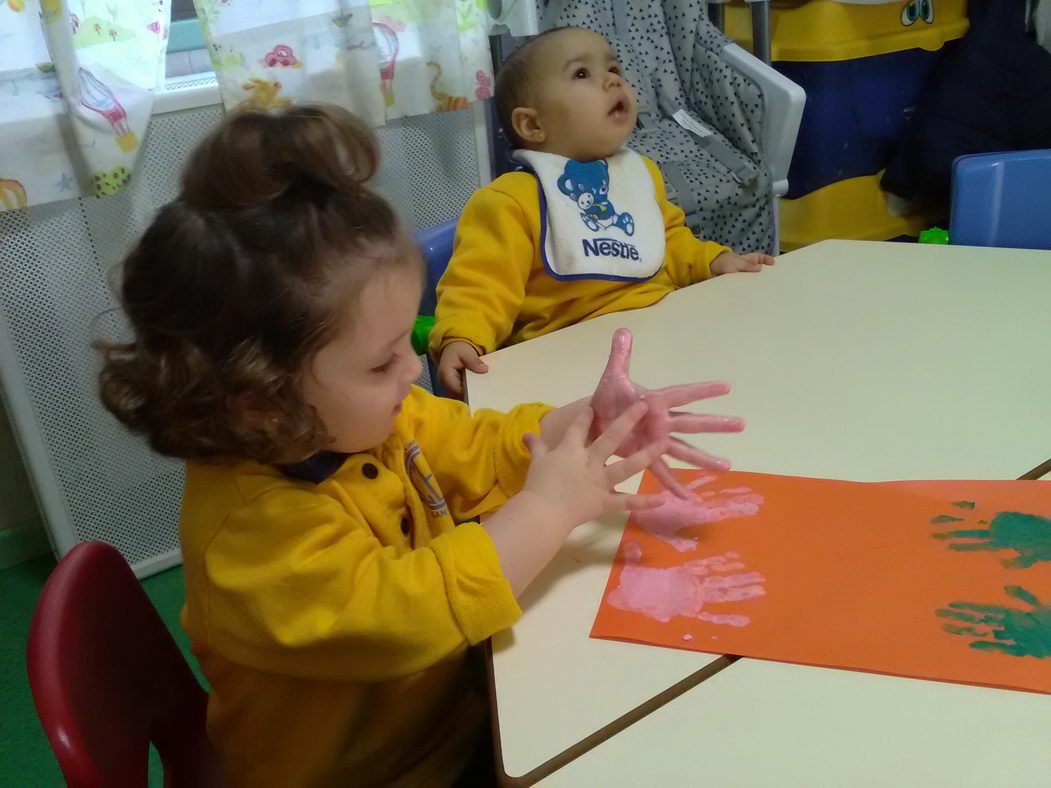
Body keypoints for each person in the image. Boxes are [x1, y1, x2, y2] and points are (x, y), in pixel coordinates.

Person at [97, 103, 735, 786]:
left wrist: (577, 424)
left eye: (408, 338)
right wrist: (546, 511)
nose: (412, 367)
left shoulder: (361, 418)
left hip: (446, 719)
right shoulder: (252, 533)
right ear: (259, 401)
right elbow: (408, 615)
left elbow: (471, 442)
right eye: (380, 362)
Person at [431, 26, 775, 398]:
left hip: (658, 341)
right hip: (564, 368)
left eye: (614, 69)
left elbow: (669, 243)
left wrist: (714, 261)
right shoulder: (509, 202)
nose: (611, 80)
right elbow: (481, 286)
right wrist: (463, 336)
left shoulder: (640, 175)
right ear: (532, 124)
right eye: (582, 73)